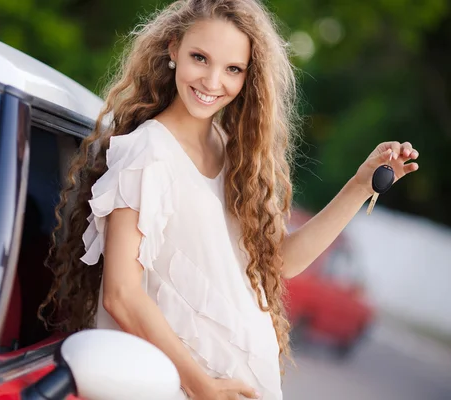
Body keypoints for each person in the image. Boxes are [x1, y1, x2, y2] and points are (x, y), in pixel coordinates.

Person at [38, 0, 420, 399]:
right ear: (173, 49)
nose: (212, 81)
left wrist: (360, 185)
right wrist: (201, 385)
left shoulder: (232, 152)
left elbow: (281, 263)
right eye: (200, 58)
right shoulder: (148, 153)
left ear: (248, 76)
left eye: (233, 69)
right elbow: (121, 293)